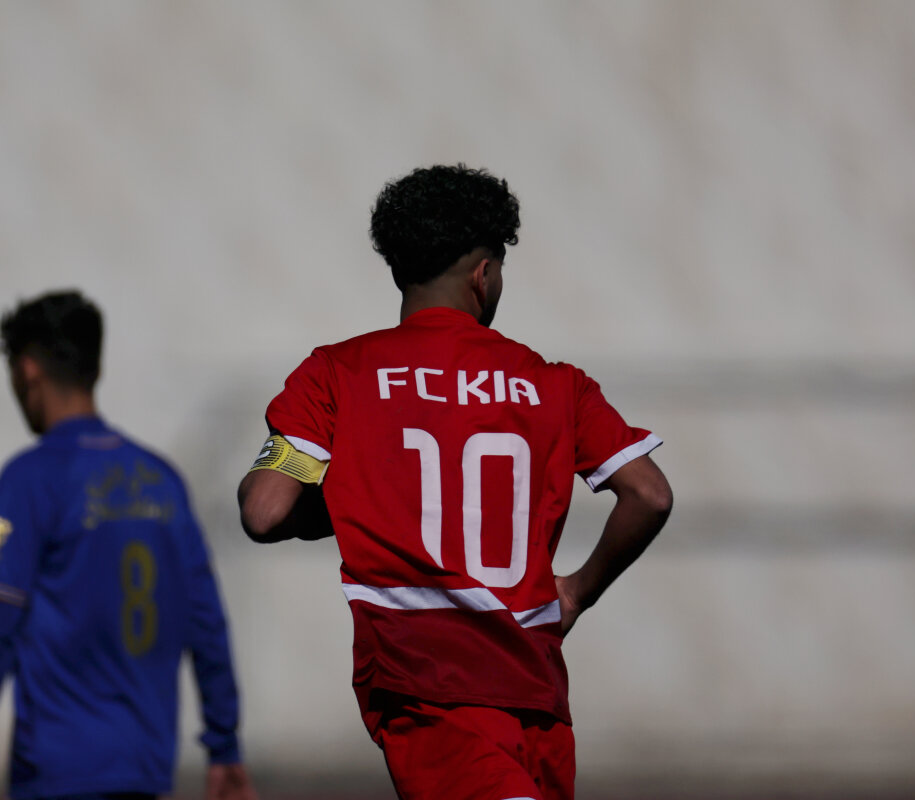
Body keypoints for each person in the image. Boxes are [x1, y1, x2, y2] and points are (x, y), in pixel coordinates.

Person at [237, 165, 672, 800]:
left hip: (425, 686)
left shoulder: (337, 374)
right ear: (483, 275)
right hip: (536, 693)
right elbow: (649, 494)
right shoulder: (556, 384)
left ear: (397, 269)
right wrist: (577, 592)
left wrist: (356, 498)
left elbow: (266, 510)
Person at [0, 290, 256, 800]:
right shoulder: (163, 481)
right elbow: (207, 620)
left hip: (58, 767)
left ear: (27, 371)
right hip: (144, 767)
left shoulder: (28, 480)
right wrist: (224, 743)